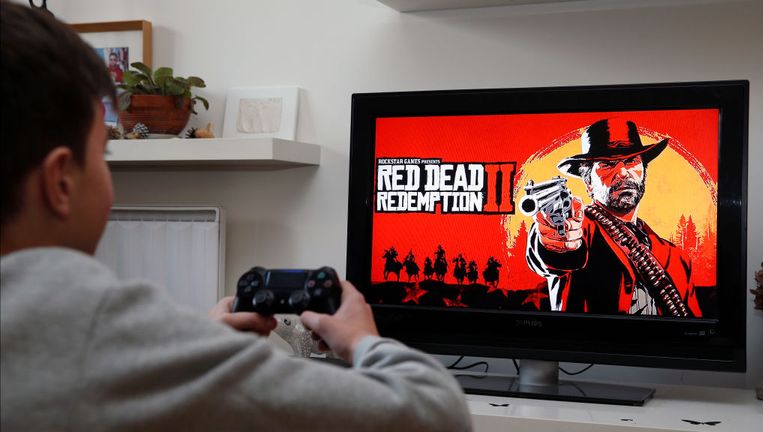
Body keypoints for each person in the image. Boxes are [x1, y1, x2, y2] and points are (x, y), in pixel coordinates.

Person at [0, 4, 472, 431]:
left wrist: (197, 346)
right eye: (101, 154)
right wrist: (362, 341)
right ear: (60, 181)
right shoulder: (99, 331)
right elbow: (435, 414)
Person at [526, 118, 702, 317]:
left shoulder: (677, 258)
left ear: (644, 172)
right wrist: (556, 243)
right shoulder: (582, 228)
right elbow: (557, 250)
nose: (623, 172)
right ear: (588, 182)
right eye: (607, 164)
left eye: (631, 161)